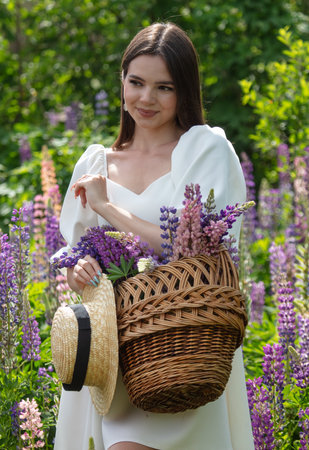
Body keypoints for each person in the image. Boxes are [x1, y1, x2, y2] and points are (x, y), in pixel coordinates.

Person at [54, 22, 254, 450]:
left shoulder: (204, 151)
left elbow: (197, 248)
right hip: (118, 360)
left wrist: (108, 208)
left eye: (164, 87)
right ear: (121, 82)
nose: (146, 98)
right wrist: (81, 272)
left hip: (185, 349)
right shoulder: (95, 162)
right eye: (136, 82)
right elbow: (74, 265)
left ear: (185, 91)